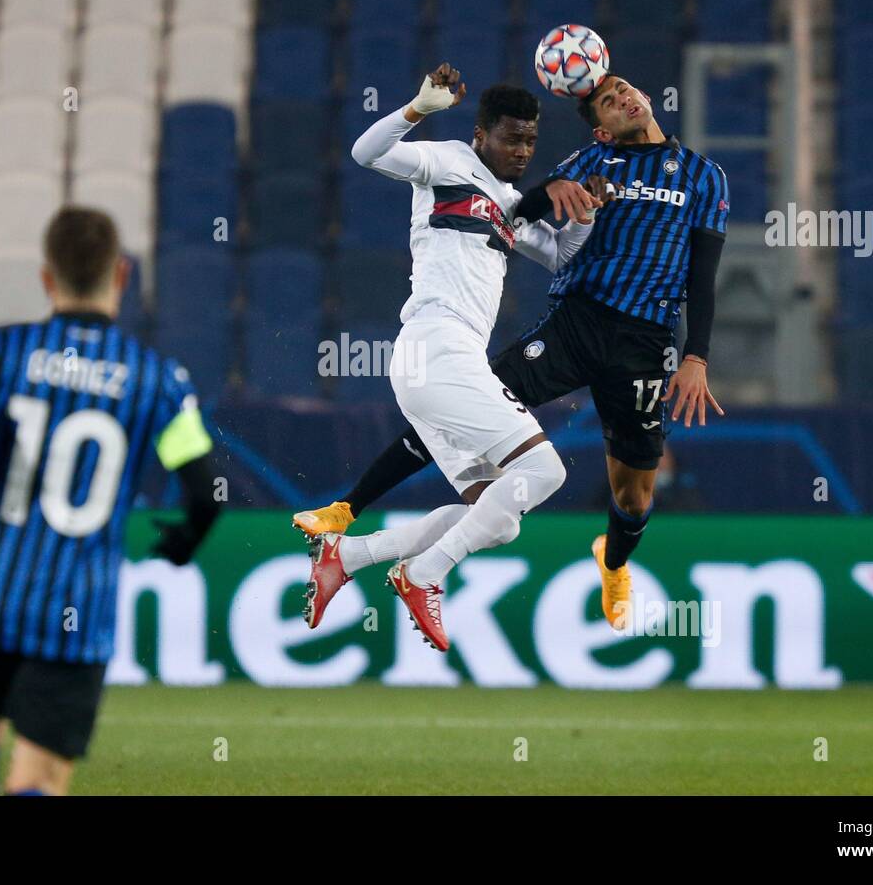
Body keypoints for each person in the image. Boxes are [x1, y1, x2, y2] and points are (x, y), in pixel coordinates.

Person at [296, 73, 729, 630]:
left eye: (529, 142)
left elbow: (556, 250)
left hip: (637, 344)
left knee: (509, 514)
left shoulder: (696, 177)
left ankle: (349, 555)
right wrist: (418, 108)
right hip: (493, 335)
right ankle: (402, 555)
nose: (523, 151)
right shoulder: (451, 161)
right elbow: (367, 152)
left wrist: (585, 219)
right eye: (512, 140)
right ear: (481, 136)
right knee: (543, 470)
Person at [0, 206, 221, 795]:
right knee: (42, 776)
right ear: (122, 276)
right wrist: (182, 543)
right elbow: (205, 494)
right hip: (77, 608)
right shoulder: (159, 378)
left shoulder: (4, 354)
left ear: (47, 278)